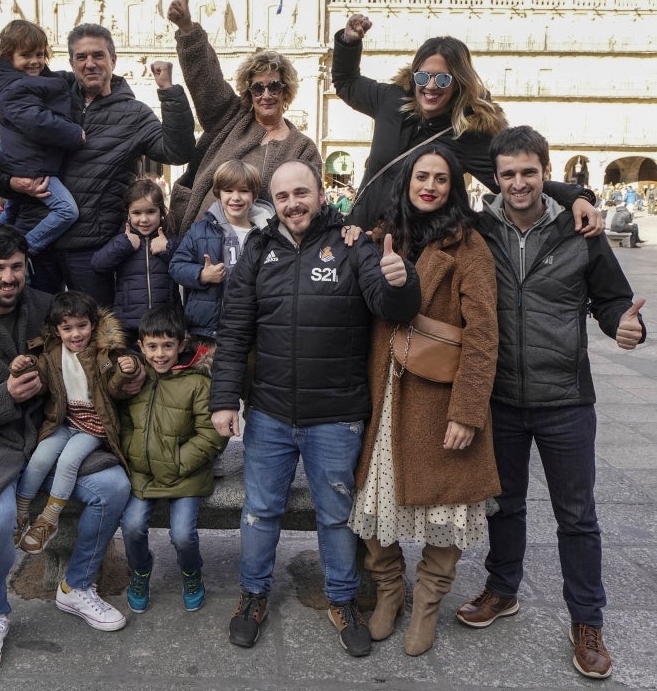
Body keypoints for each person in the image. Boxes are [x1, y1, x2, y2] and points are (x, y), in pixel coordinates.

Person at [209, 159, 422, 657]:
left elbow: (392, 308)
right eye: (283, 197)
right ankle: (253, 595)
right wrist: (224, 400)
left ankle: (342, 600)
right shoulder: (258, 250)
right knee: (260, 511)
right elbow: (234, 331)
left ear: (320, 194)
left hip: (336, 416)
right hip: (269, 413)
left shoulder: (352, 245)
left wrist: (401, 279)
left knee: (336, 515)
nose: (293, 204)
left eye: (301, 193)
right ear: (274, 202)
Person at [457, 125, 646, 681]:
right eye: (508, 174)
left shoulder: (580, 231)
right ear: (495, 178)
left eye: (529, 172)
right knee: (504, 504)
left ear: (546, 172)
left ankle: (587, 620)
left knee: (577, 516)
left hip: (565, 398)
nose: (518, 183)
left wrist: (624, 325)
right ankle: (503, 588)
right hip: (500, 397)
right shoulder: (477, 231)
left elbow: (611, 298)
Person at [0, 226, 134, 678]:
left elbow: (98, 348)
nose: (8, 277)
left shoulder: (46, 308)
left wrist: (129, 375)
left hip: (51, 430)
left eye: (16, 266)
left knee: (113, 486)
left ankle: (76, 585)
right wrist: (4, 396)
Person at [348, 143, 501, 656]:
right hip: (385, 390)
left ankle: (428, 604)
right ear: (407, 183)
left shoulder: (469, 247)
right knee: (374, 502)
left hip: (438, 398)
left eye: (440, 178)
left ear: (454, 188)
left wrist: (467, 411)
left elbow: (483, 335)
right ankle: (389, 591)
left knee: (447, 507)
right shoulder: (381, 236)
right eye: (421, 176)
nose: (429, 186)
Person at [332, 13, 604, 236]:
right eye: (423, 77)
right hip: (358, 234)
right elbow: (346, 83)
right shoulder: (391, 100)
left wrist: (576, 197)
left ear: (458, 83)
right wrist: (350, 42)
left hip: (412, 248)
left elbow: (511, 179)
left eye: (443, 79)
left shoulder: (468, 134)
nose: (430, 87)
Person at [0, 22, 195, 303]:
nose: (90, 63)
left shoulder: (135, 115)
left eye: (98, 55)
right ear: (71, 63)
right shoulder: (47, 100)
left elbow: (178, 152)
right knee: (35, 324)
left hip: (91, 250)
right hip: (37, 241)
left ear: (113, 60)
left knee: (96, 324)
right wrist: (12, 182)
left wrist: (169, 92)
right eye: (81, 57)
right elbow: (3, 159)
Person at [166, 0, 322, 237]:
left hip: (262, 251)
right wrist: (187, 29)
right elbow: (206, 80)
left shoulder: (303, 148)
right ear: (249, 92)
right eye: (258, 88)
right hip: (201, 240)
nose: (266, 95)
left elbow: (312, 203)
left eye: (274, 86)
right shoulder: (230, 117)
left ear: (286, 91)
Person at [13, 290, 141, 555]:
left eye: (82, 326)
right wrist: (24, 366)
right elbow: (41, 381)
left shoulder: (102, 353)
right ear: (57, 330)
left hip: (94, 426)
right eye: (67, 328)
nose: (76, 334)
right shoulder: (51, 353)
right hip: (64, 421)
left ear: (92, 324)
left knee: (68, 460)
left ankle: (48, 520)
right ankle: (20, 512)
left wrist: (127, 371)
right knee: (40, 458)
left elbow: (115, 390)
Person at [120, 305, 227, 614]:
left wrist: (177, 462)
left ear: (182, 344)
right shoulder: (136, 379)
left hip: (185, 474)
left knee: (182, 534)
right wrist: (134, 452)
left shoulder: (198, 382)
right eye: (152, 346)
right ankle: (140, 569)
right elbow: (123, 423)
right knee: (132, 526)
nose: (160, 354)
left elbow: (211, 435)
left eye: (168, 345)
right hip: (143, 472)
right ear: (141, 346)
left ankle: (191, 572)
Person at [0, 20, 86, 255]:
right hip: (33, 166)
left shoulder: (24, 82)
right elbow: (38, 123)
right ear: (8, 57)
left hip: (24, 162)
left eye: (40, 54)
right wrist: (75, 134)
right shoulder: (15, 89)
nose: (35, 61)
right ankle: (23, 249)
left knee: (11, 212)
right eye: (25, 55)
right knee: (67, 211)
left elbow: (54, 82)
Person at [169, 159, 274, 345]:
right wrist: (201, 275)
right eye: (228, 190)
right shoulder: (200, 230)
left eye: (244, 191)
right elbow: (176, 266)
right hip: (208, 330)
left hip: (251, 329)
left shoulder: (266, 234)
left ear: (255, 195)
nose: (236, 197)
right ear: (218, 194)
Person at [91, 178, 180, 345]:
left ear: (161, 211)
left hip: (166, 322)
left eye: (151, 212)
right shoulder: (122, 239)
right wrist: (124, 244)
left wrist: (167, 248)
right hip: (130, 323)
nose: (144, 219)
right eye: (137, 213)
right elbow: (98, 264)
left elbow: (186, 263)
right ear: (128, 213)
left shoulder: (170, 238)